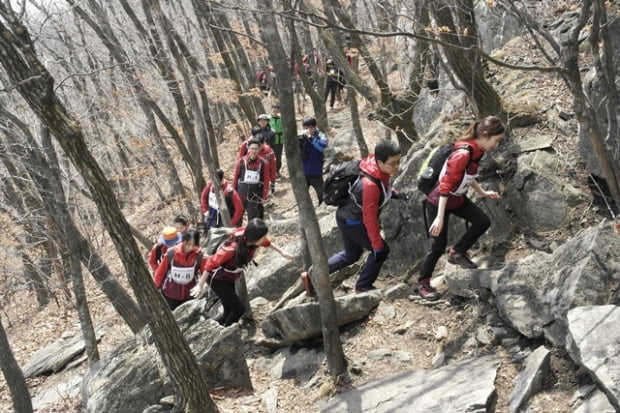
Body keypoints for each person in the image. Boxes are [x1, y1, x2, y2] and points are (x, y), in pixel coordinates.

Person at [417, 116, 505, 301]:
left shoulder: (477, 151)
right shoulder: (463, 153)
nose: (496, 145)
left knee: (482, 221)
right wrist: (439, 217)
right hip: (438, 201)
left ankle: (457, 252)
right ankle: (423, 282)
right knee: (437, 246)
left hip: (456, 199)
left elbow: (468, 175)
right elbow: (445, 184)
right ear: (485, 134)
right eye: (496, 140)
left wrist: (482, 192)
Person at [306, 140, 404, 293]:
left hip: (346, 216)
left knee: (351, 255)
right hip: (353, 221)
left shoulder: (373, 166)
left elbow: (382, 186)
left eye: (398, 162)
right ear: (380, 161)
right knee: (381, 251)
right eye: (393, 163)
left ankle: (315, 273)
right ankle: (363, 286)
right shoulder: (370, 185)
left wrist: (393, 194)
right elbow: (369, 219)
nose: (397, 167)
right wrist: (377, 245)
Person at [190, 218, 293, 326]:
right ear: (254, 239)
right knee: (239, 309)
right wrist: (200, 285)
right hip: (216, 279)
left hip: (228, 277)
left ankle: (216, 329)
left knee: (229, 309)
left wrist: (282, 252)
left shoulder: (251, 238)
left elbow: (267, 242)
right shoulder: (231, 249)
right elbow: (210, 263)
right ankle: (225, 334)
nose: (264, 239)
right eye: (262, 237)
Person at [153, 229, 206, 310]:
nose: (190, 247)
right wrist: (155, 289)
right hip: (170, 294)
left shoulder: (199, 256)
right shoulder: (171, 253)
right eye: (188, 244)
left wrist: (201, 285)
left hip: (190, 295)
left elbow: (205, 271)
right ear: (183, 241)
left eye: (193, 245)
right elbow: (160, 273)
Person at [233, 138, 270, 221]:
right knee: (238, 218)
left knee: (253, 219)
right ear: (248, 149)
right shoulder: (241, 162)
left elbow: (266, 180)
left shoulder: (263, 163)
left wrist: (264, 195)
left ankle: (250, 233)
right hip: (241, 194)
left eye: (256, 149)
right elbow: (236, 178)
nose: (254, 151)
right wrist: (233, 193)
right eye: (252, 149)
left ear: (259, 149)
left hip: (255, 195)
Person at [298, 116, 328, 205]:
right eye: (305, 128)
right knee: (302, 196)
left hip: (316, 171)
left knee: (322, 194)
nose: (306, 130)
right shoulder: (301, 136)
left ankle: (322, 211)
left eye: (309, 128)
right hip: (303, 171)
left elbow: (322, 147)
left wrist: (311, 138)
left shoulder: (320, 136)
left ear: (313, 127)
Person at [269, 103, 284, 176]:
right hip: (270, 141)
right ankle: (269, 171)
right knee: (269, 156)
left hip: (279, 140)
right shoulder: (268, 119)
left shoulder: (282, 118)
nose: (275, 112)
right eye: (274, 111)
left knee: (278, 156)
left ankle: (277, 171)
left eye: (277, 111)